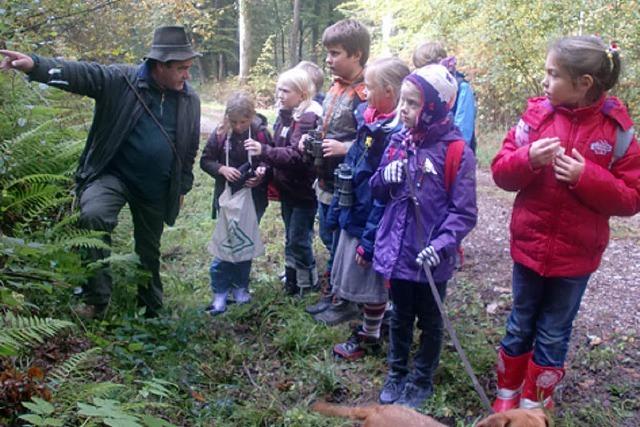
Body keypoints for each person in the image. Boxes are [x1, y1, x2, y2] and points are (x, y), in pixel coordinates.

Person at [0, 26, 201, 319]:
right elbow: (82, 74)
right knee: (93, 216)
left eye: (189, 68)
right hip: (111, 175)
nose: (187, 75)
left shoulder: (189, 99)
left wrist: (182, 186)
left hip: (156, 185)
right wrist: (35, 64)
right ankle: (96, 300)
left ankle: (151, 308)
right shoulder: (120, 80)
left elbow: (189, 147)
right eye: (182, 68)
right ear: (160, 65)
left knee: (149, 248)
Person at [490, 36, 640, 412]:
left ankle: (535, 403)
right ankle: (506, 396)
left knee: (554, 331)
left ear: (584, 83)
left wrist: (585, 176)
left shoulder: (618, 133)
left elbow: (631, 198)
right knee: (520, 322)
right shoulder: (535, 118)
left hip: (576, 259)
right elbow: (500, 173)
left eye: (553, 74)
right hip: (529, 248)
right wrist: (527, 159)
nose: (545, 81)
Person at [372, 65, 477, 408]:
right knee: (399, 315)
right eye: (402, 101)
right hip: (399, 251)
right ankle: (397, 372)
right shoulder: (398, 140)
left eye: (413, 103)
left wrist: (442, 245)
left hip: (431, 257)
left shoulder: (456, 152)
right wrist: (386, 177)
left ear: (434, 106)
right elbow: (376, 190)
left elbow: (464, 212)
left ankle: (421, 378)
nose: (403, 109)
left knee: (431, 319)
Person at [325, 57, 409, 352]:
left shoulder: (396, 135)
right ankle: (373, 324)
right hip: (357, 209)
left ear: (389, 91)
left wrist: (370, 239)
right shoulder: (369, 120)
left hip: (372, 220)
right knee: (360, 273)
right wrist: (338, 208)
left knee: (372, 280)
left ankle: (369, 335)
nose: (364, 92)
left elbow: (385, 196)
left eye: (370, 87)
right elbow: (352, 165)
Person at [304, 18, 370, 324]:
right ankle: (333, 294)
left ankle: (347, 300)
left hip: (349, 183)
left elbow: (374, 135)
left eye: (335, 53)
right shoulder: (334, 88)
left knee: (342, 242)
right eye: (328, 53)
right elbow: (325, 124)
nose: (329, 60)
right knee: (328, 236)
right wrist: (311, 137)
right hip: (325, 178)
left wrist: (345, 147)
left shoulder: (365, 93)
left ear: (356, 54)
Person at [244, 68, 322, 295]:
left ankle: (308, 284)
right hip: (287, 189)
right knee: (291, 236)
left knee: (299, 239)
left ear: (302, 94)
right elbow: (278, 149)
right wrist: (265, 168)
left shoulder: (307, 119)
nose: (279, 94)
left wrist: (264, 151)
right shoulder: (284, 116)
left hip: (303, 191)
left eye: (286, 91)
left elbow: (297, 157)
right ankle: (292, 278)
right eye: (278, 89)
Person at [200, 91, 271, 315]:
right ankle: (220, 291)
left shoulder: (260, 133)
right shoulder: (221, 134)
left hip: (254, 198)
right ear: (227, 118)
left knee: (244, 242)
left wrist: (261, 173)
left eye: (243, 121)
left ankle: (240, 286)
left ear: (251, 117)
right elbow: (206, 160)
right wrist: (222, 169)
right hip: (227, 197)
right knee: (225, 243)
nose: (239, 126)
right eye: (234, 122)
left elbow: (271, 159)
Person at [413, 41, 477, 152]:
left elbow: (464, 129)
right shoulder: (422, 89)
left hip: (454, 154)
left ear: (439, 62)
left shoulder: (462, 88)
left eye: (425, 67)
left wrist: (449, 152)